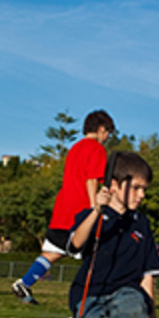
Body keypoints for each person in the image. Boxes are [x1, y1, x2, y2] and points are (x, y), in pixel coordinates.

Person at [12, 110, 115, 304]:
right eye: (108, 132)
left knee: (53, 252)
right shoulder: (96, 149)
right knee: (100, 252)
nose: (107, 137)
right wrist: (96, 208)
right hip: (80, 211)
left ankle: (24, 283)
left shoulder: (74, 148)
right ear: (101, 129)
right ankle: (97, 297)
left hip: (62, 209)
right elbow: (91, 179)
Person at [65, 152, 159, 318]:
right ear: (113, 185)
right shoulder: (90, 215)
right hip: (90, 294)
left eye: (144, 189)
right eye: (136, 188)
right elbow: (75, 245)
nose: (142, 195)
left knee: (134, 314)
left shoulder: (142, 223)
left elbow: (148, 273)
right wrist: (97, 210)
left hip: (126, 294)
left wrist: (152, 314)